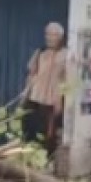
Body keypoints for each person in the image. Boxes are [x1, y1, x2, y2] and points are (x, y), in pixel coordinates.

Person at [22, 22, 69, 156]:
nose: (49, 38)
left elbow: (66, 80)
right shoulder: (40, 53)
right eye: (47, 34)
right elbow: (31, 74)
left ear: (60, 37)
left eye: (53, 35)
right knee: (30, 130)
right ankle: (29, 157)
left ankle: (46, 159)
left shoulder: (66, 55)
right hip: (35, 98)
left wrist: (60, 100)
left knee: (48, 134)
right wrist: (25, 94)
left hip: (51, 101)